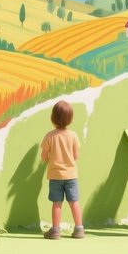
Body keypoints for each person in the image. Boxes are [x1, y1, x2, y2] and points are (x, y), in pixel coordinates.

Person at [40, 100, 84, 240]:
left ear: (53, 118)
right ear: (70, 119)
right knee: (74, 201)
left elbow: (43, 156)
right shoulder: (73, 135)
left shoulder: (49, 136)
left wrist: (51, 162)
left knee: (56, 203)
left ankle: (55, 231)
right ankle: (79, 229)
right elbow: (76, 156)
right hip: (71, 175)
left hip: (55, 175)